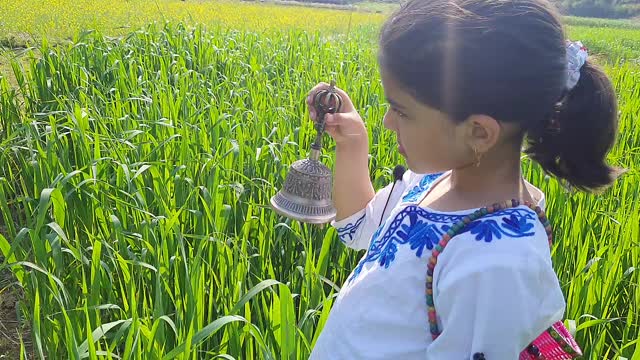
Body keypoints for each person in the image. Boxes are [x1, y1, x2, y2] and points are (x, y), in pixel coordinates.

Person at [306, 0, 622, 358]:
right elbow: (360, 227)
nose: (387, 123)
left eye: (401, 111)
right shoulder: (434, 182)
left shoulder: (496, 262)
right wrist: (352, 143)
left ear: (479, 133)